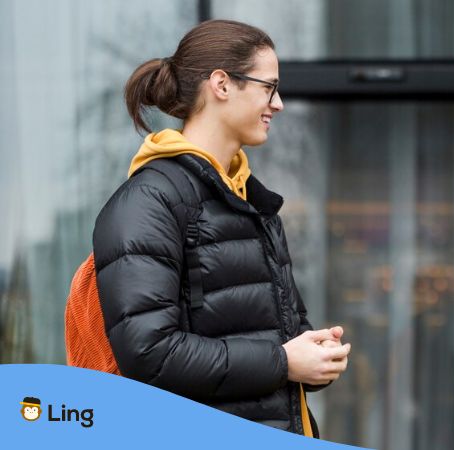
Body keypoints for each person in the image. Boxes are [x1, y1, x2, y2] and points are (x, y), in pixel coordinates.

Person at [93, 19, 350, 437]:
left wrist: (313, 356)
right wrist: (284, 362)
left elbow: (278, 334)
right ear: (222, 84)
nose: (279, 103)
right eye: (269, 86)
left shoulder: (252, 200)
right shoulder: (149, 201)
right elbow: (148, 353)